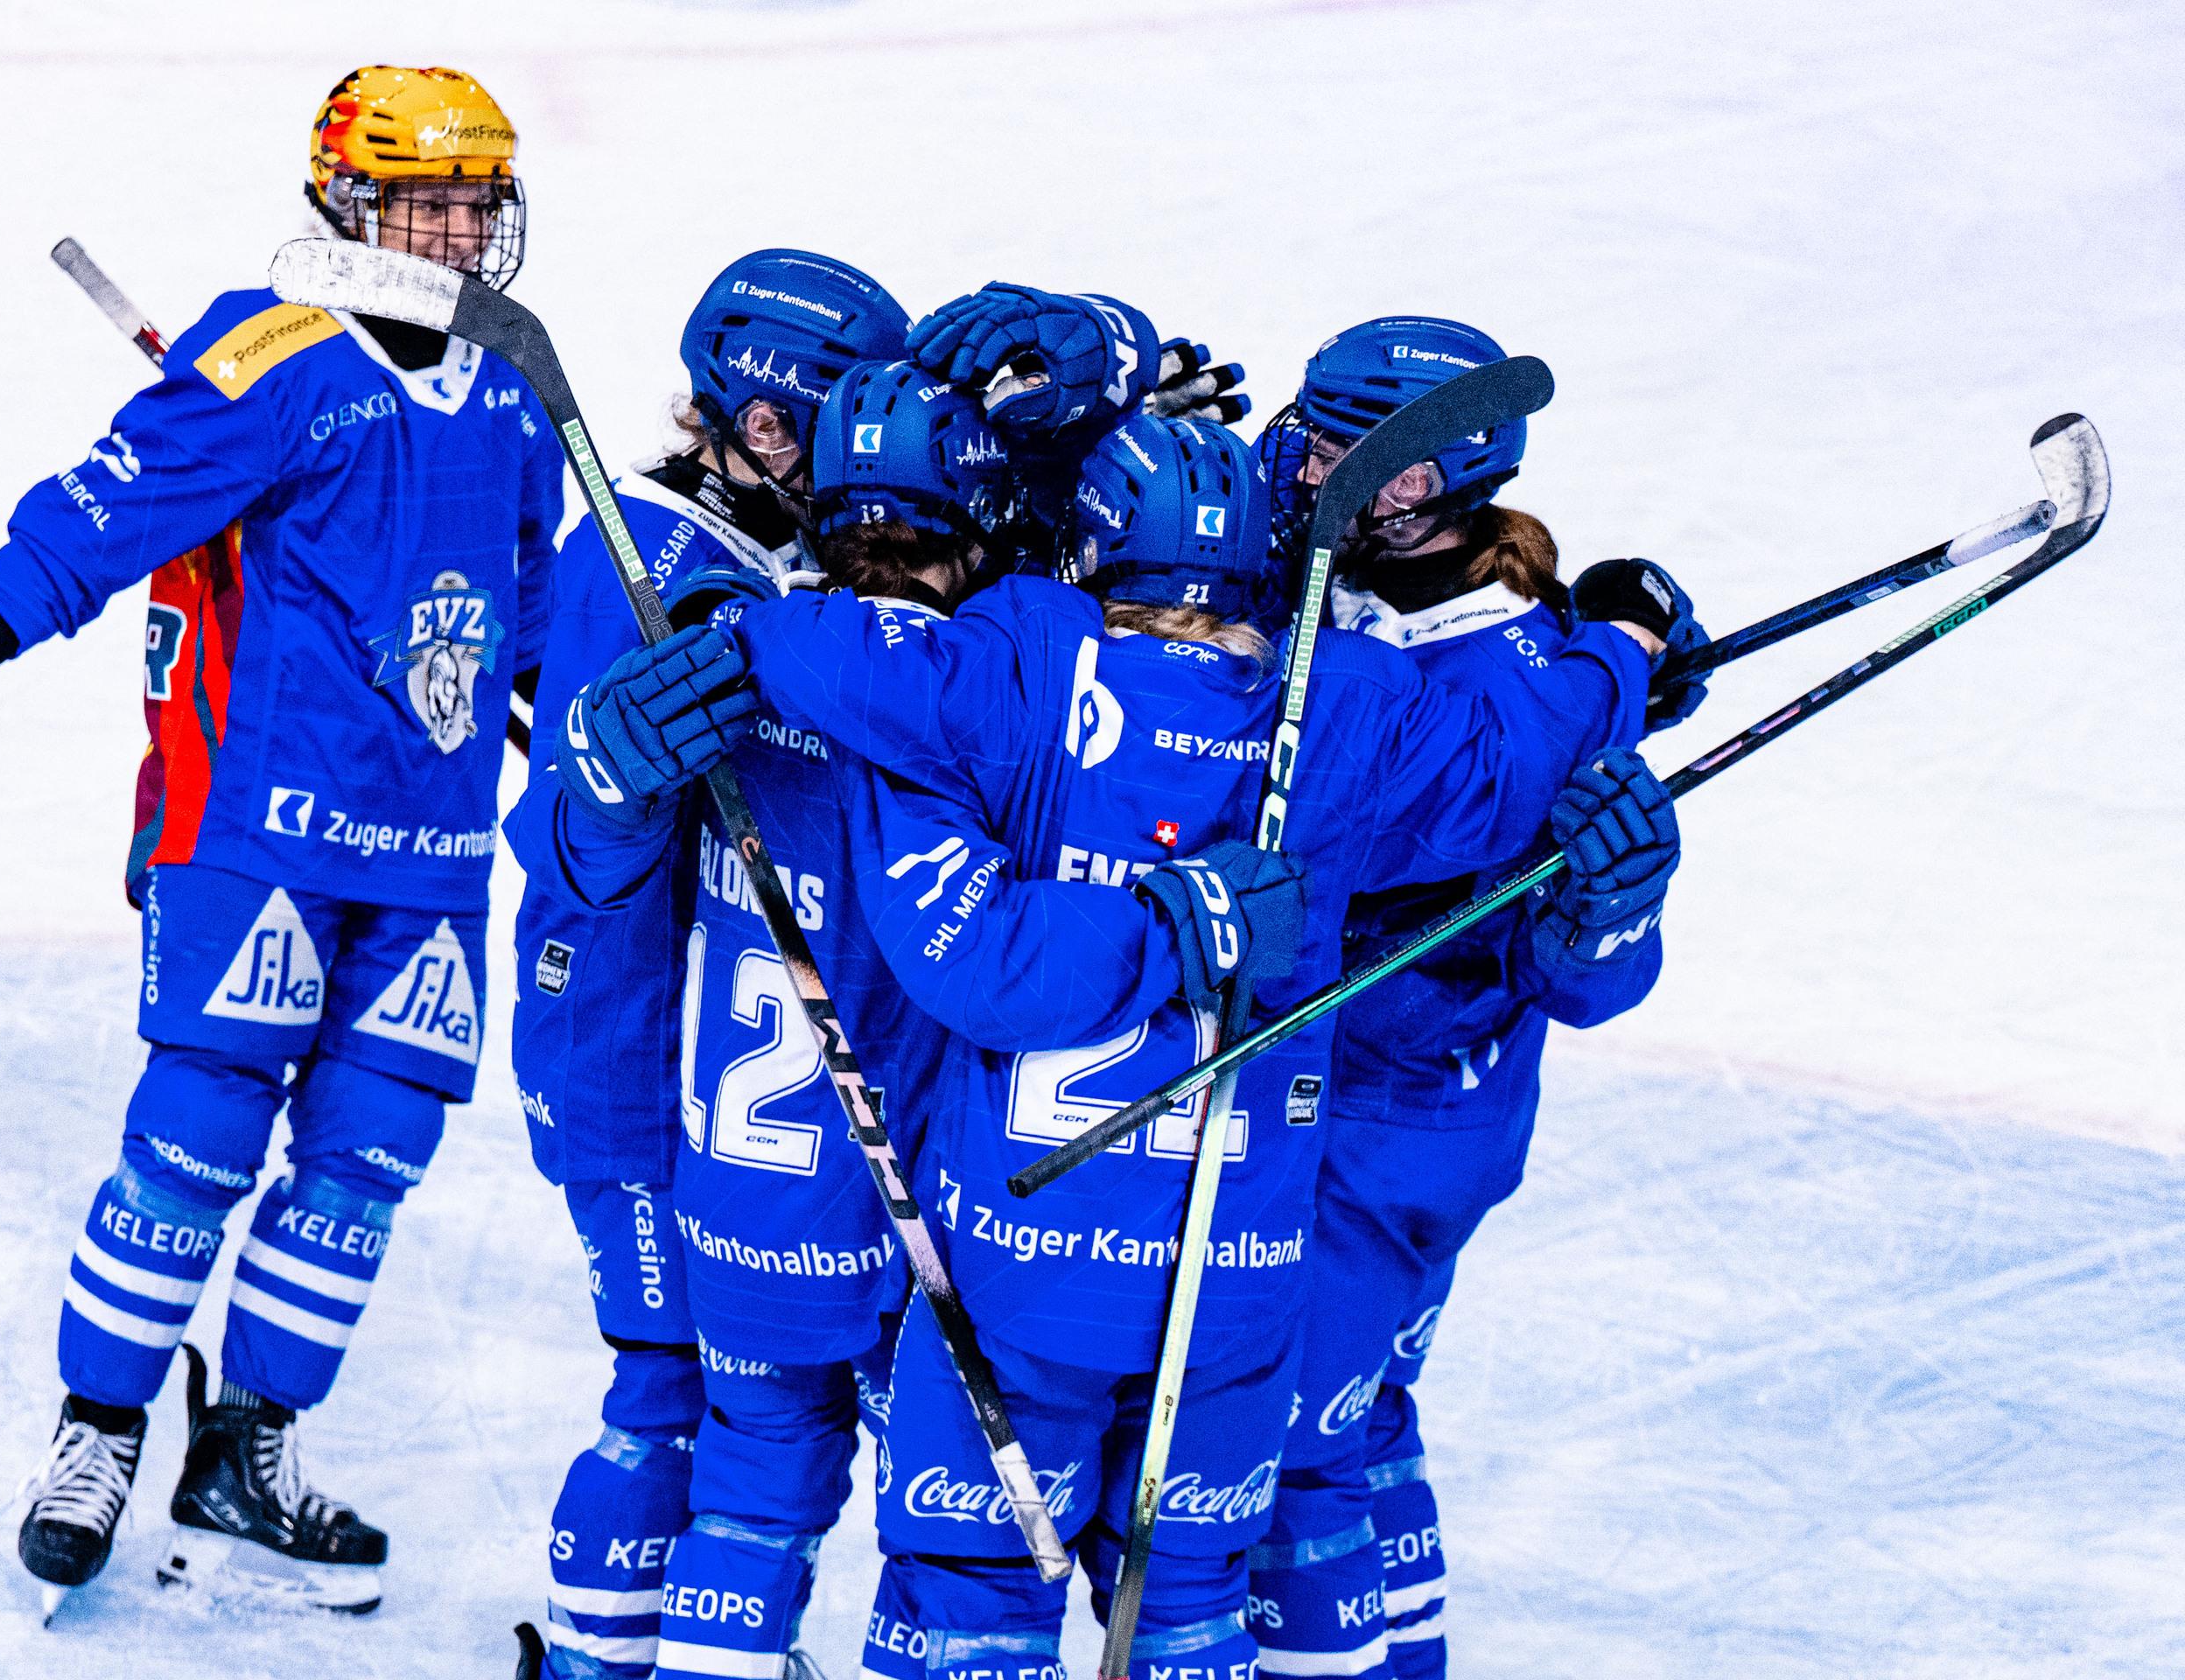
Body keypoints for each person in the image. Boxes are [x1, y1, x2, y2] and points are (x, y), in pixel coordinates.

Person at [578, 279, 1661, 1680]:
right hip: (1234, 1272)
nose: (1308, 464)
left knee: (918, 1569)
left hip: (1000, 1260)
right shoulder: (1344, 696)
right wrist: (1621, 654)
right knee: (1221, 1579)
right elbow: (1515, 770)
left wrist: (726, 635)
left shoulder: (1015, 663)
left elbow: (866, 691)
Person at [0, 64, 559, 1618]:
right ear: (348, 199)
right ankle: (95, 1433)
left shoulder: (512, 380)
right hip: (254, 833)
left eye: (476, 202)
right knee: (195, 1142)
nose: (457, 232)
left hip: (430, 859)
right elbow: (109, 510)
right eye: (426, 199)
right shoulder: (269, 352)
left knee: (366, 1164)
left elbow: (533, 598)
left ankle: (247, 1448)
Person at [538, 358, 1026, 1680]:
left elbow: (589, 844)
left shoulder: (752, 650)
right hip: (890, 1190)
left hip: (739, 1186)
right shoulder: (981, 690)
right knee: (939, 1521)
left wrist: (609, 779)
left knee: (742, 1475)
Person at [1242, 318, 1705, 1680]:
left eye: (1340, 450)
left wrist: (1614, 678)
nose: (1302, 462)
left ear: (1425, 483)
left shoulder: (1510, 677)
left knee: (1294, 1453)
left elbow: (1572, 966)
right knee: (1360, 1422)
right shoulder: (1359, 561)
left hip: (1394, 1124)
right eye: (1309, 429)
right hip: (1345, 1097)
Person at [506, 250, 910, 1680]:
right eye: (823, 425)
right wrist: (616, 784)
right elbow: (561, 848)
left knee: (726, 1391)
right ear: (753, 420)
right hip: (619, 1053)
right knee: (666, 1394)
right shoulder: (642, 556)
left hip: (704, 1060)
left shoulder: (782, 550)